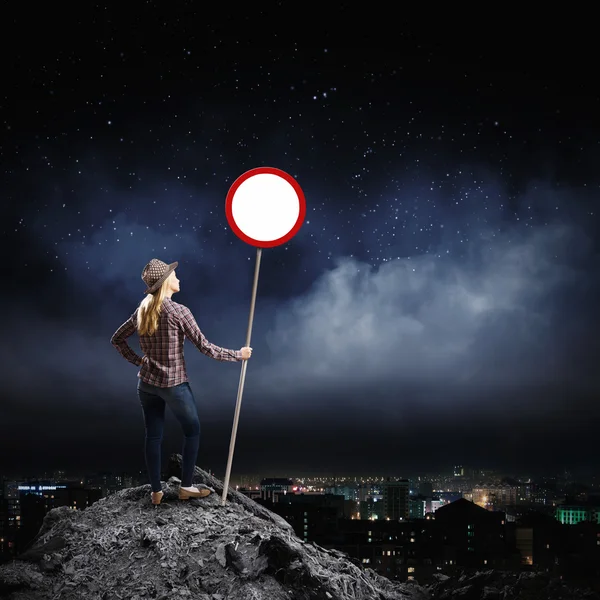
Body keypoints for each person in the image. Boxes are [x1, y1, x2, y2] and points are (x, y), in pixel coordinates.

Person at [110, 258, 252, 507]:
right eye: (173, 274)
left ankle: (156, 492)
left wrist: (139, 361)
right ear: (165, 282)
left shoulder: (142, 310)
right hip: (174, 385)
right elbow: (206, 348)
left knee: (153, 437)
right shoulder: (179, 311)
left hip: (147, 384)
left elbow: (117, 339)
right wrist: (239, 355)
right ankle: (186, 487)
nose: (177, 277)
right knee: (192, 430)